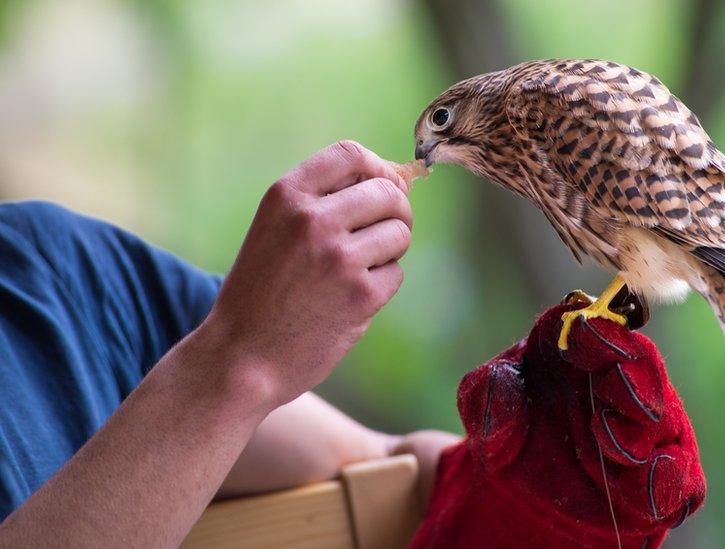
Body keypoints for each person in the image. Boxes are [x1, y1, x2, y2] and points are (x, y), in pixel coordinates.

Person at [0, 141, 459, 547]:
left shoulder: (56, 266)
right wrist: (245, 357)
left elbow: (391, 463)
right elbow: (235, 359)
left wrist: (496, 472)